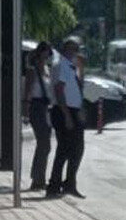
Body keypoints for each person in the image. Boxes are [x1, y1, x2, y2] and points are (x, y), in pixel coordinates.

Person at [47, 36, 87, 199]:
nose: (76, 53)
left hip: (73, 110)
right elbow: (59, 90)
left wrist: (81, 69)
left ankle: (69, 183)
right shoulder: (61, 65)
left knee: (76, 149)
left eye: (78, 50)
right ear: (67, 49)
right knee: (65, 149)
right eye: (74, 49)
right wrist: (67, 116)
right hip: (64, 110)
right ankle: (55, 184)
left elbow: (78, 88)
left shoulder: (70, 66)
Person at [22, 41, 54, 191]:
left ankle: (39, 177)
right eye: (44, 52)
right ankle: (37, 179)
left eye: (48, 52)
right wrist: (26, 112)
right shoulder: (32, 70)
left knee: (45, 144)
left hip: (45, 107)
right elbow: (27, 92)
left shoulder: (47, 69)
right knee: (43, 143)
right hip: (35, 106)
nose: (46, 55)